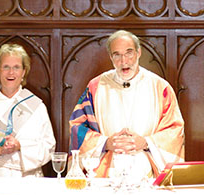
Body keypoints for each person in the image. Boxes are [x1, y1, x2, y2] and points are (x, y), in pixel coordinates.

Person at [69, 30, 184, 179]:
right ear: (111, 57)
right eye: (117, 55)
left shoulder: (160, 87)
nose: (124, 61)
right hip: (106, 172)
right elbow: (77, 127)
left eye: (129, 53)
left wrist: (146, 142)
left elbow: (175, 130)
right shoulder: (96, 86)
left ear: (138, 53)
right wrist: (106, 143)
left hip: (146, 171)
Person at [0, 43, 55, 177]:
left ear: (23, 72)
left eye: (16, 67)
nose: (11, 72)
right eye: (6, 67)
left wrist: (20, 146)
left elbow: (49, 146)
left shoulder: (36, 106)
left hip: (28, 178)